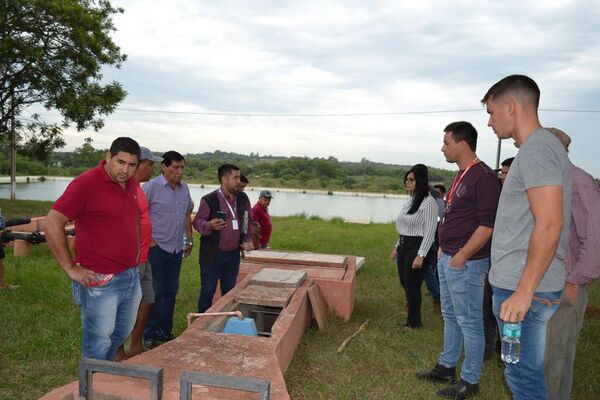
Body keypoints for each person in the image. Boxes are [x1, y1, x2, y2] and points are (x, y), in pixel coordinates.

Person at [482, 75, 570, 400]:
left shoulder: (537, 149)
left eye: (491, 113)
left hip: (523, 294)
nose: (489, 122)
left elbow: (550, 224)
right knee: (523, 376)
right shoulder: (539, 148)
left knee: (524, 381)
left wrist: (523, 292)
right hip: (521, 289)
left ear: (510, 107)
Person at [417, 121, 501, 399]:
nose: (442, 148)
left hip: (467, 263)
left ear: (462, 144)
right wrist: (444, 249)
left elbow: (487, 226)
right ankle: (446, 366)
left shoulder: (484, 177)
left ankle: (470, 381)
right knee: (450, 315)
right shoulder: (463, 174)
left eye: (446, 143)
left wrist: (462, 255)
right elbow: (457, 216)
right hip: (449, 257)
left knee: (470, 321)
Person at [45, 137, 142, 360]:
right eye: (120, 162)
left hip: (130, 274)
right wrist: (70, 268)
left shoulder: (131, 184)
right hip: (100, 278)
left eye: (132, 165)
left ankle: (102, 378)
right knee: (98, 341)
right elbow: (52, 222)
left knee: (120, 334)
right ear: (108, 157)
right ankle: (89, 388)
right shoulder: (86, 183)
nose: (125, 170)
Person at [545, 128, 600, 400]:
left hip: (566, 286)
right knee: (542, 357)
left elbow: (595, 236)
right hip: (544, 285)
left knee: (556, 357)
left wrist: (575, 281)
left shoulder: (579, 181)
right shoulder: (549, 182)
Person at [114, 147, 162, 360]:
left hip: (143, 257)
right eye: (150, 164)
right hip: (126, 261)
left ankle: (136, 345)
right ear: (138, 164)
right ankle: (117, 351)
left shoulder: (138, 188)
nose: (152, 169)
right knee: (122, 306)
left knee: (147, 300)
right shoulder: (120, 190)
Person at [143, 151, 193, 349]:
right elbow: (139, 214)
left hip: (175, 248)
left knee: (171, 291)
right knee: (155, 292)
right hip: (157, 248)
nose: (179, 172)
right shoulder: (151, 187)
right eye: (175, 168)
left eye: (182, 168)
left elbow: (187, 214)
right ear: (164, 167)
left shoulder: (184, 189)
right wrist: (149, 240)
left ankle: (165, 331)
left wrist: (189, 239)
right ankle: (149, 334)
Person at [193, 164, 254, 313]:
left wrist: (248, 238)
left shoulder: (243, 198)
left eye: (239, 177)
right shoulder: (209, 199)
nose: (239, 181)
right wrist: (209, 225)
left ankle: (225, 320)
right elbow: (197, 222)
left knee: (229, 292)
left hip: (233, 255)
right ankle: (201, 323)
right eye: (235, 177)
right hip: (212, 255)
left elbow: (247, 220)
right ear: (224, 179)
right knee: (208, 292)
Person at [390, 164, 438, 329]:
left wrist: (421, 255)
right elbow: (405, 226)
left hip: (418, 247)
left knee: (412, 285)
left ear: (420, 181)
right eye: (406, 179)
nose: (407, 182)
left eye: (411, 180)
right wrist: (397, 246)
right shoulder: (410, 201)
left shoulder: (429, 202)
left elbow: (430, 231)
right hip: (404, 244)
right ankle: (412, 316)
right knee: (405, 282)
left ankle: (414, 323)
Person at [423, 185, 445, 310]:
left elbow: (437, 222)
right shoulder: (437, 201)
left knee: (428, 270)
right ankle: (437, 296)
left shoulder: (436, 202)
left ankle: (438, 297)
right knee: (430, 269)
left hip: (432, 240)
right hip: (432, 240)